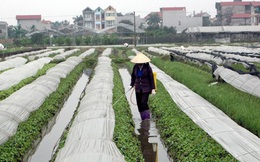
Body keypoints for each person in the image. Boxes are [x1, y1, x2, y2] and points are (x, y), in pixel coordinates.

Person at [129, 52, 156, 120]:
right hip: (138, 88)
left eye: (140, 63)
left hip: (146, 88)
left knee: (143, 103)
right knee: (139, 104)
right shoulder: (135, 67)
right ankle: (142, 118)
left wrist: (153, 89)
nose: (139, 64)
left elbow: (151, 78)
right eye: (138, 63)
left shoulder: (147, 68)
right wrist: (131, 85)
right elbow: (133, 77)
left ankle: (147, 119)